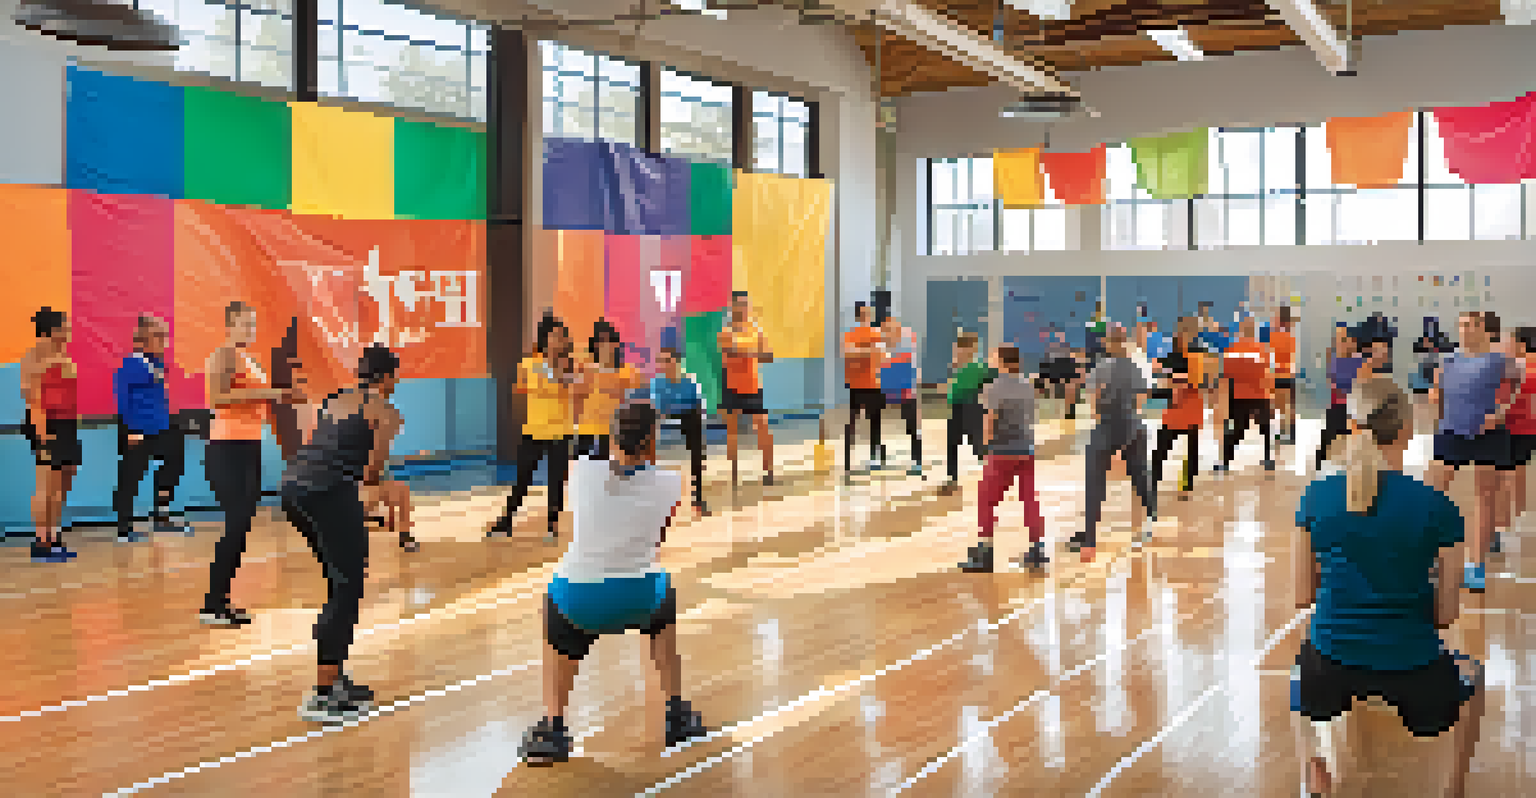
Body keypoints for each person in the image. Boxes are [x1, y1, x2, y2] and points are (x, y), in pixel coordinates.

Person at [1291, 377, 1484, 798]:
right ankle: (1454, 789)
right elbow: (1446, 616)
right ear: (1408, 430)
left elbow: (1301, 595)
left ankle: (1314, 768)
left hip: (1330, 667)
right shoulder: (1437, 506)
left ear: (1354, 426)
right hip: (1413, 666)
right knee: (1474, 674)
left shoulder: (1315, 496)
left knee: (1297, 674)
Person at [517, 402, 709, 765]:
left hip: (581, 602)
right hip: (641, 598)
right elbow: (657, 540)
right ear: (652, 441)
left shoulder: (581, 472)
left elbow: (597, 462)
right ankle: (677, 713)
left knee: (553, 605)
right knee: (663, 594)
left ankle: (554, 726)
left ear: (612, 436)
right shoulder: (671, 482)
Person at [284, 345, 402, 723]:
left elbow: (322, 446)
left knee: (339, 584)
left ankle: (332, 677)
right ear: (386, 378)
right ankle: (322, 695)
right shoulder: (385, 411)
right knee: (347, 586)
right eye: (395, 376)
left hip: (293, 489)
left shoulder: (337, 398)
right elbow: (371, 471)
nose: (396, 383)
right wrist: (379, 500)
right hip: (327, 493)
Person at [203, 302, 296, 626]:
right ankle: (212, 605)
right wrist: (269, 392)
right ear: (229, 326)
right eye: (244, 325)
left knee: (242, 525)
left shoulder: (248, 359)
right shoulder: (223, 355)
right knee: (237, 523)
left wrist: (281, 397)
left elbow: (257, 397)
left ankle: (221, 601)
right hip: (226, 447)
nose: (250, 330)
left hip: (249, 445)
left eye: (253, 325)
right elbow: (216, 397)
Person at [1429, 311, 1522, 592]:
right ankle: (1429, 555)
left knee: (1485, 497)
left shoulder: (1502, 361)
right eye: (1461, 325)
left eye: (1470, 324)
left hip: (1489, 434)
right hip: (1451, 431)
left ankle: (1476, 565)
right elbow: (1437, 393)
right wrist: (1438, 406)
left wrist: (1502, 412)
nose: (1464, 329)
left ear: (1484, 329)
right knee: (1434, 493)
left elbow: (1520, 391)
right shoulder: (1448, 361)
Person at [958, 345, 1046, 574]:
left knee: (987, 500)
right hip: (1026, 449)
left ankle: (985, 552)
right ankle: (1037, 549)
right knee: (1029, 500)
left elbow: (991, 419)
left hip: (1002, 449)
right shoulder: (1028, 386)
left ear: (1003, 361)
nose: (991, 359)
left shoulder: (994, 388)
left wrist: (987, 445)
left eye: (994, 356)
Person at [491, 312, 577, 541]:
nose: (558, 341)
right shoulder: (529, 364)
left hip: (561, 430)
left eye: (561, 337)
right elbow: (519, 389)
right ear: (544, 338)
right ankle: (506, 521)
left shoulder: (569, 364)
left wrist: (556, 371)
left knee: (556, 480)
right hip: (534, 429)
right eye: (554, 336)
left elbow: (567, 384)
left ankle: (552, 524)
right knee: (523, 477)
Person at [1072, 324, 1154, 561]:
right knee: (1140, 476)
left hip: (1107, 426)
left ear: (1108, 343)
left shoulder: (1101, 367)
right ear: (1125, 341)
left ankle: (1089, 543)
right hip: (1132, 425)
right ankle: (1148, 524)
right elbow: (1141, 399)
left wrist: (1103, 425)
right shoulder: (1135, 368)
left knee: (1094, 484)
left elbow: (1093, 399)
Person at [113, 314, 190, 542]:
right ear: (142, 340)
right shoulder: (131, 363)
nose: (163, 341)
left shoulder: (156, 364)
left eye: (164, 336)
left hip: (161, 428)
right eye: (158, 336)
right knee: (130, 477)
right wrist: (130, 430)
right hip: (137, 429)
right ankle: (124, 529)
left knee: (175, 459)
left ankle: (161, 515)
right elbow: (123, 399)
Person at [21, 307, 81, 563]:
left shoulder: (62, 354)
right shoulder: (34, 357)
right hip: (47, 423)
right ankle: (41, 541)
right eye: (65, 326)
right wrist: (42, 434)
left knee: (63, 482)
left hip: (67, 424)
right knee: (47, 484)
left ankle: (54, 537)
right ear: (53, 330)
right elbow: (33, 399)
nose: (69, 331)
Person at [718, 292, 775, 486]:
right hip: (732, 387)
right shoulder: (725, 332)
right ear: (732, 307)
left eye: (745, 304)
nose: (742, 309)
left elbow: (769, 355)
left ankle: (769, 472)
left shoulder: (755, 330)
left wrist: (747, 351)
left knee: (763, 428)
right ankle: (733, 474)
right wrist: (752, 351)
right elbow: (731, 351)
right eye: (738, 305)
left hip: (753, 387)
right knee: (732, 430)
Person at [650, 347, 709, 517]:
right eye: (661, 361)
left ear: (676, 362)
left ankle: (698, 495)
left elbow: (698, 406)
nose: (664, 365)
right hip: (665, 418)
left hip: (687, 418)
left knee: (695, 429)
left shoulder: (690, 382)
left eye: (667, 361)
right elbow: (658, 409)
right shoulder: (657, 383)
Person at [1152, 317, 1204, 499]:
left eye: (1191, 330)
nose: (1188, 334)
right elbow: (1164, 381)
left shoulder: (1200, 354)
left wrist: (1178, 382)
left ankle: (1186, 485)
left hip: (1192, 406)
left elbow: (1200, 381)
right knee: (1162, 446)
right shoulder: (1171, 357)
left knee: (1191, 449)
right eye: (1184, 330)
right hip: (1175, 407)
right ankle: (1152, 481)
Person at [1216, 316, 1276, 473]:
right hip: (1249, 395)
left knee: (1252, 429)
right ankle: (1227, 461)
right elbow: (1263, 373)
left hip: (1249, 395)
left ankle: (1266, 458)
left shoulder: (1239, 348)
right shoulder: (1257, 349)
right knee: (1248, 430)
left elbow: (1229, 373)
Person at [574, 319, 638, 462]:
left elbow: (626, 399)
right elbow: (578, 396)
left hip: (612, 432)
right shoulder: (585, 368)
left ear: (616, 344)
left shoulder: (626, 371)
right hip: (588, 430)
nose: (605, 346)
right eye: (600, 341)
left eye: (609, 341)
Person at [943, 331, 994, 495]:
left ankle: (994, 475)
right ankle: (952, 477)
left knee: (979, 447)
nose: (960, 350)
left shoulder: (980, 366)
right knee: (952, 443)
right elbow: (954, 389)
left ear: (973, 349)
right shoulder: (957, 366)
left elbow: (992, 381)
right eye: (959, 347)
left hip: (973, 408)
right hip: (957, 408)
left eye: (964, 347)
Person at [842, 301, 886, 475]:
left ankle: (875, 457)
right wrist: (869, 350)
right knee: (852, 421)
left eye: (869, 312)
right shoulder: (850, 334)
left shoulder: (877, 333)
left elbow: (882, 354)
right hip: (856, 385)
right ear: (858, 315)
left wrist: (861, 351)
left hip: (875, 384)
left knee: (875, 422)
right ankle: (847, 459)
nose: (867, 315)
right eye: (865, 312)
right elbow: (847, 352)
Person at [1315, 325, 1363, 472]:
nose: (1344, 343)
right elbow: (1335, 382)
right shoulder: (1334, 360)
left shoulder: (1359, 361)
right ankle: (1321, 461)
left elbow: (1359, 382)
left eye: (1346, 340)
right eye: (1341, 340)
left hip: (1354, 406)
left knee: (1354, 437)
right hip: (1338, 405)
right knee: (1330, 434)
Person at [879, 313, 922, 477]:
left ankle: (917, 460)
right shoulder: (885, 344)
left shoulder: (906, 339)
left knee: (912, 425)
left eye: (886, 330)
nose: (884, 334)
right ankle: (878, 454)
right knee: (876, 419)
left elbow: (903, 362)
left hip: (905, 389)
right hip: (889, 387)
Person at [1506, 328, 1536, 528]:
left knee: (1513, 472)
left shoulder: (1516, 366)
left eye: (1511, 342)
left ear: (1521, 344)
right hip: (1527, 426)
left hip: (1517, 426)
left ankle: (1518, 514)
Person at [1270, 307, 1299, 445]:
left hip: (1278, 376)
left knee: (1281, 408)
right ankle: (1290, 434)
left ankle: (1283, 433)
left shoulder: (1275, 337)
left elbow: (1270, 358)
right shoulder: (1292, 337)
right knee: (1289, 408)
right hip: (1289, 375)